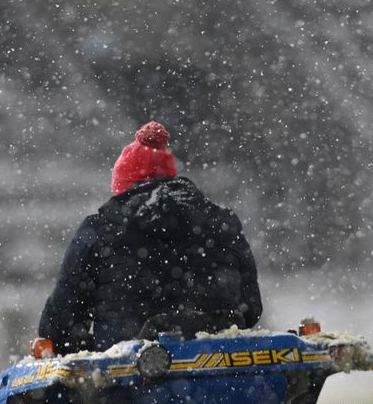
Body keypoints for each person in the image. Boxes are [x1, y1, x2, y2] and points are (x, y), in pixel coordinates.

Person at [38, 121, 262, 353]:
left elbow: (59, 324)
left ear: (123, 187)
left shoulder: (100, 230)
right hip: (223, 369)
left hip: (130, 377)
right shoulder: (221, 224)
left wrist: (89, 347)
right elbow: (251, 309)